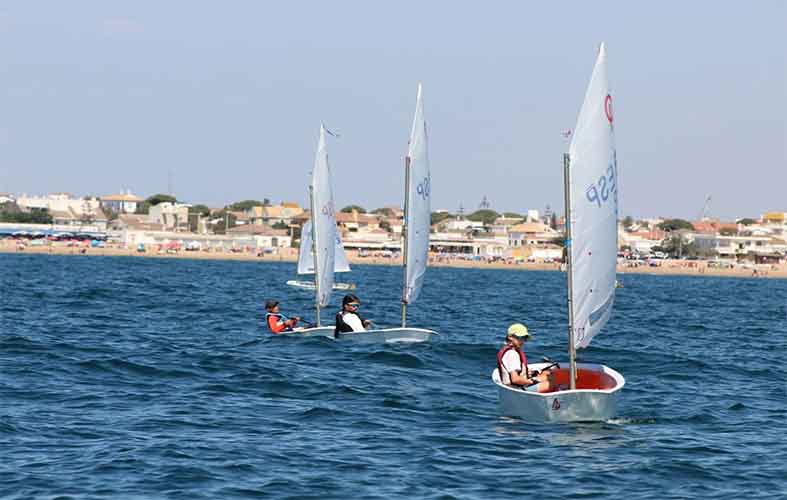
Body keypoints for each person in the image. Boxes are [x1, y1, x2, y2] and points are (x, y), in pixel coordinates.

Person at [496, 323, 554, 393]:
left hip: (513, 388)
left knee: (546, 374)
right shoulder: (512, 354)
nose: (522, 341)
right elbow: (515, 379)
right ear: (510, 337)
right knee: (551, 383)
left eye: (524, 338)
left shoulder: (509, 351)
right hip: (517, 390)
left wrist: (526, 373)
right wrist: (532, 381)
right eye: (520, 338)